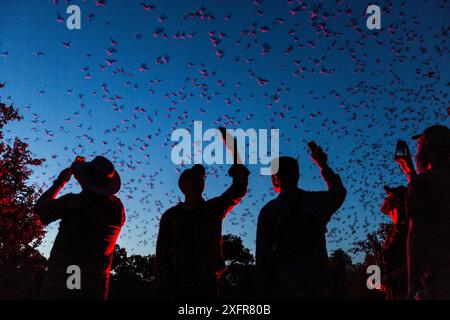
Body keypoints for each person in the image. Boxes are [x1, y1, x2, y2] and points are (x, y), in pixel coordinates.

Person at [256, 143, 346, 299]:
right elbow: (338, 192)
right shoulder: (316, 202)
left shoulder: (268, 212)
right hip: (319, 290)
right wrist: (322, 164)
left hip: (284, 291)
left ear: (275, 178)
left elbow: (263, 258)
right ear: (297, 176)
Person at [35, 156, 125, 300]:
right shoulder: (117, 209)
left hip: (62, 285)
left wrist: (62, 180)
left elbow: (41, 210)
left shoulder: (73, 203)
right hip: (96, 290)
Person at [154, 163, 249, 299]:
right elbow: (161, 254)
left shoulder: (214, 208)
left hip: (207, 284)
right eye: (193, 176)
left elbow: (238, 189)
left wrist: (237, 162)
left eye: (201, 177)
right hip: (177, 285)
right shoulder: (170, 216)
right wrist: (160, 285)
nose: (199, 178)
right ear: (183, 185)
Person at [401, 124, 450, 300]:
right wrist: (409, 171)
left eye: (419, 145)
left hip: (437, 281)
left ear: (427, 147)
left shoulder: (422, 184)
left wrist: (412, 285)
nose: (417, 151)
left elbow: (416, 236)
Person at [378, 185, 408, 300]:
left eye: (390, 195)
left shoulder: (406, 228)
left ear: (399, 201)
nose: (386, 197)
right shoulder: (395, 228)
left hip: (405, 292)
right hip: (393, 292)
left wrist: (391, 277)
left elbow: (417, 259)